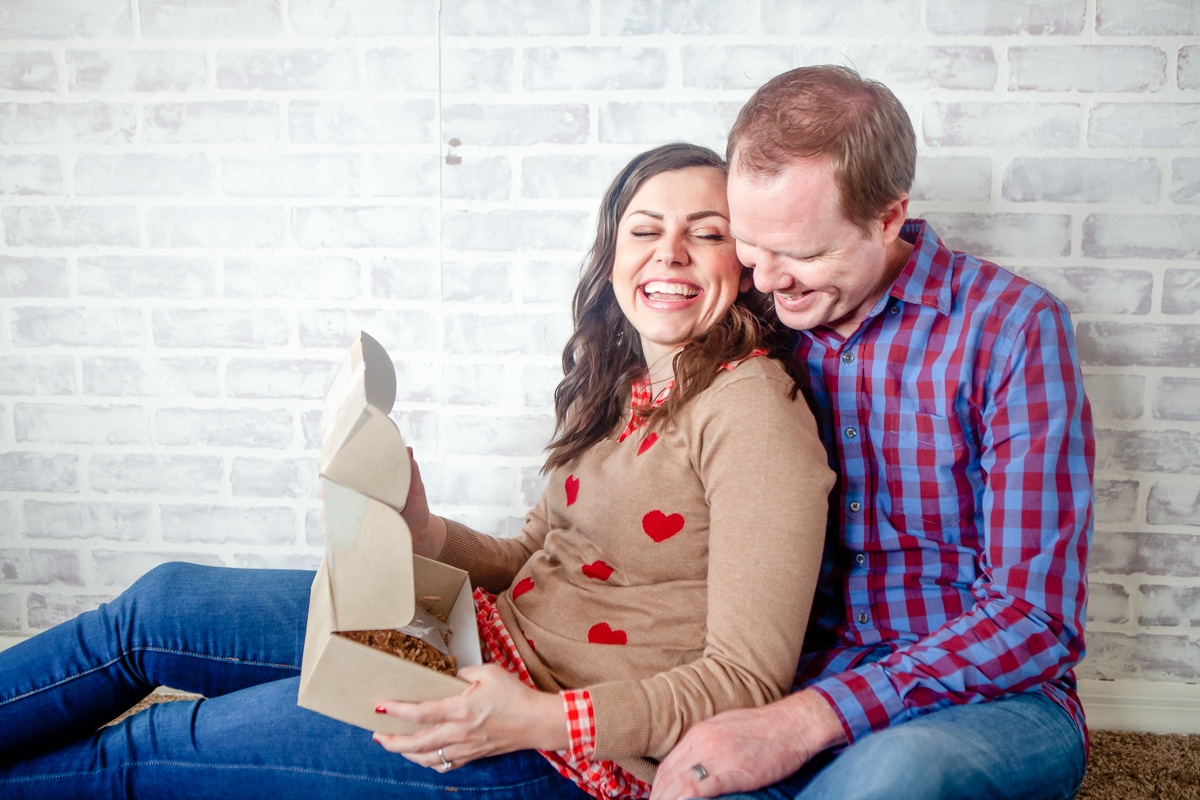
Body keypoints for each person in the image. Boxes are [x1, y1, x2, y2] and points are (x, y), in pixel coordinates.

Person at [0, 142, 834, 799]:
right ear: (613, 252)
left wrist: (538, 719)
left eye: (708, 232)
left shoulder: (753, 410)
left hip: (546, 745)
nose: (671, 253)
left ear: (748, 261)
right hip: (476, 639)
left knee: (155, 749)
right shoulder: (626, 382)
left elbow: (745, 680)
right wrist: (427, 534)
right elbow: (542, 554)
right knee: (159, 607)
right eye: (646, 229)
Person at [650, 66, 1096, 800]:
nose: (769, 281)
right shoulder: (750, 321)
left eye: (804, 254)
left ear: (889, 217)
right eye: (753, 247)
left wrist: (803, 722)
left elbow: (1035, 617)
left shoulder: (1014, 329)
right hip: (789, 680)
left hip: (988, 704)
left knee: (896, 775)